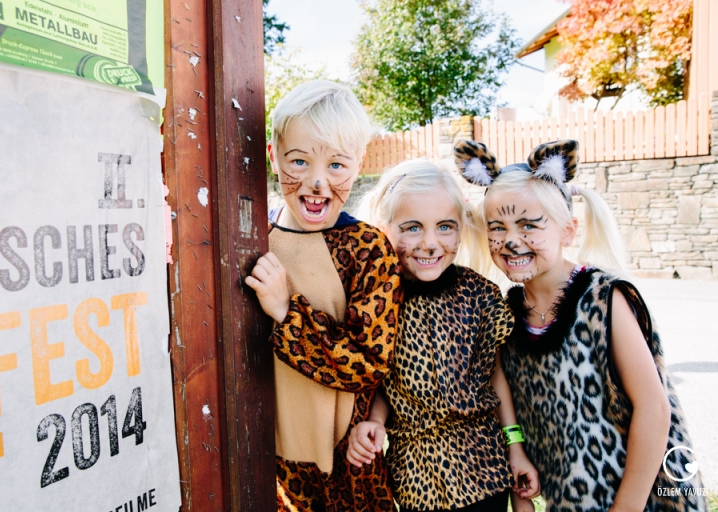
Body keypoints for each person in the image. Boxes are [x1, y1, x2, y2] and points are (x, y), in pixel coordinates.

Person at [455, 138, 707, 511]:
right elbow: (506, 402)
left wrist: (627, 508)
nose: (510, 240)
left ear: (568, 231)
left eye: (528, 225)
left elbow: (654, 409)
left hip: (645, 498)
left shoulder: (604, 297)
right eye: (497, 227)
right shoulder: (506, 312)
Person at [346, 159, 541, 512]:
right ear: (383, 228)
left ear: (462, 228)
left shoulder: (480, 295)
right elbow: (385, 381)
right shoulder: (379, 302)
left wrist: (515, 446)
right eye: (412, 228)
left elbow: (495, 376)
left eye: (445, 227)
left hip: (482, 466)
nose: (431, 243)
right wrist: (375, 421)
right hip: (416, 475)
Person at [245, 80, 402, 511]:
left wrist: (285, 313)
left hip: (344, 471)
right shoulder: (251, 237)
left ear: (359, 163)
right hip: (269, 467)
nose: (317, 183)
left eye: (336, 166)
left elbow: (368, 363)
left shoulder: (368, 248)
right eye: (299, 161)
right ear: (274, 155)